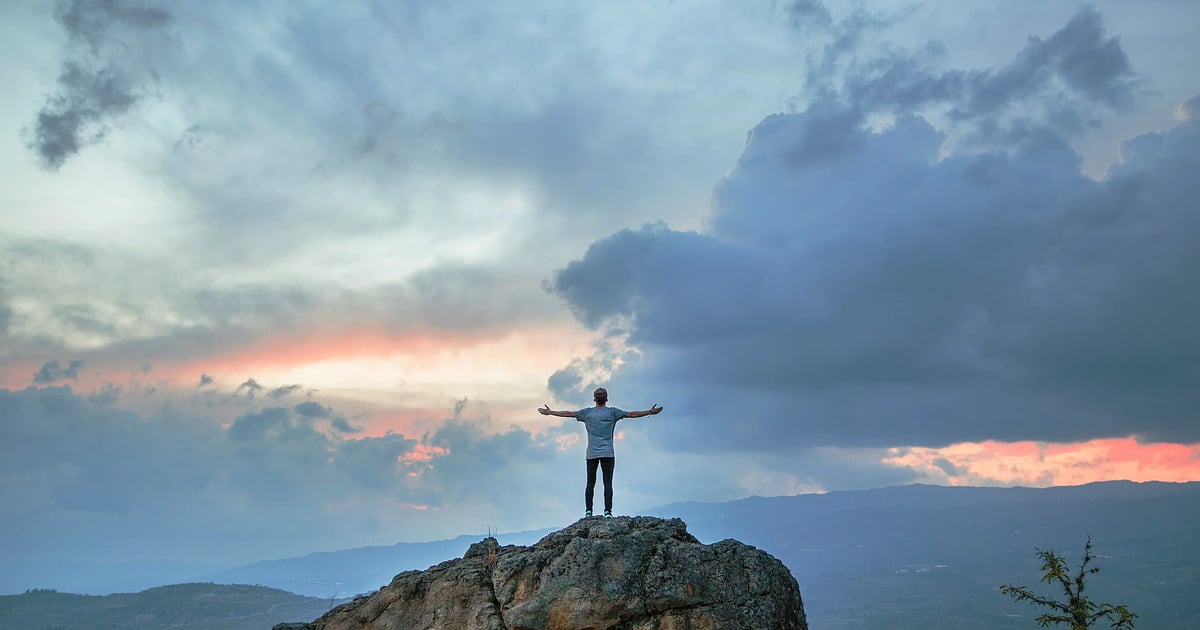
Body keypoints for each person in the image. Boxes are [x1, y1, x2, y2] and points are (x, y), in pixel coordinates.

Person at [539, 387, 663, 518]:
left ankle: (588, 512)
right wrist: (650, 412)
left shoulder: (587, 413)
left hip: (592, 454)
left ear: (594, 399)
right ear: (607, 398)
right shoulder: (613, 412)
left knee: (590, 483)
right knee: (607, 483)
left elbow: (568, 413)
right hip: (608, 453)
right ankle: (608, 511)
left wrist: (551, 412)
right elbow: (632, 414)